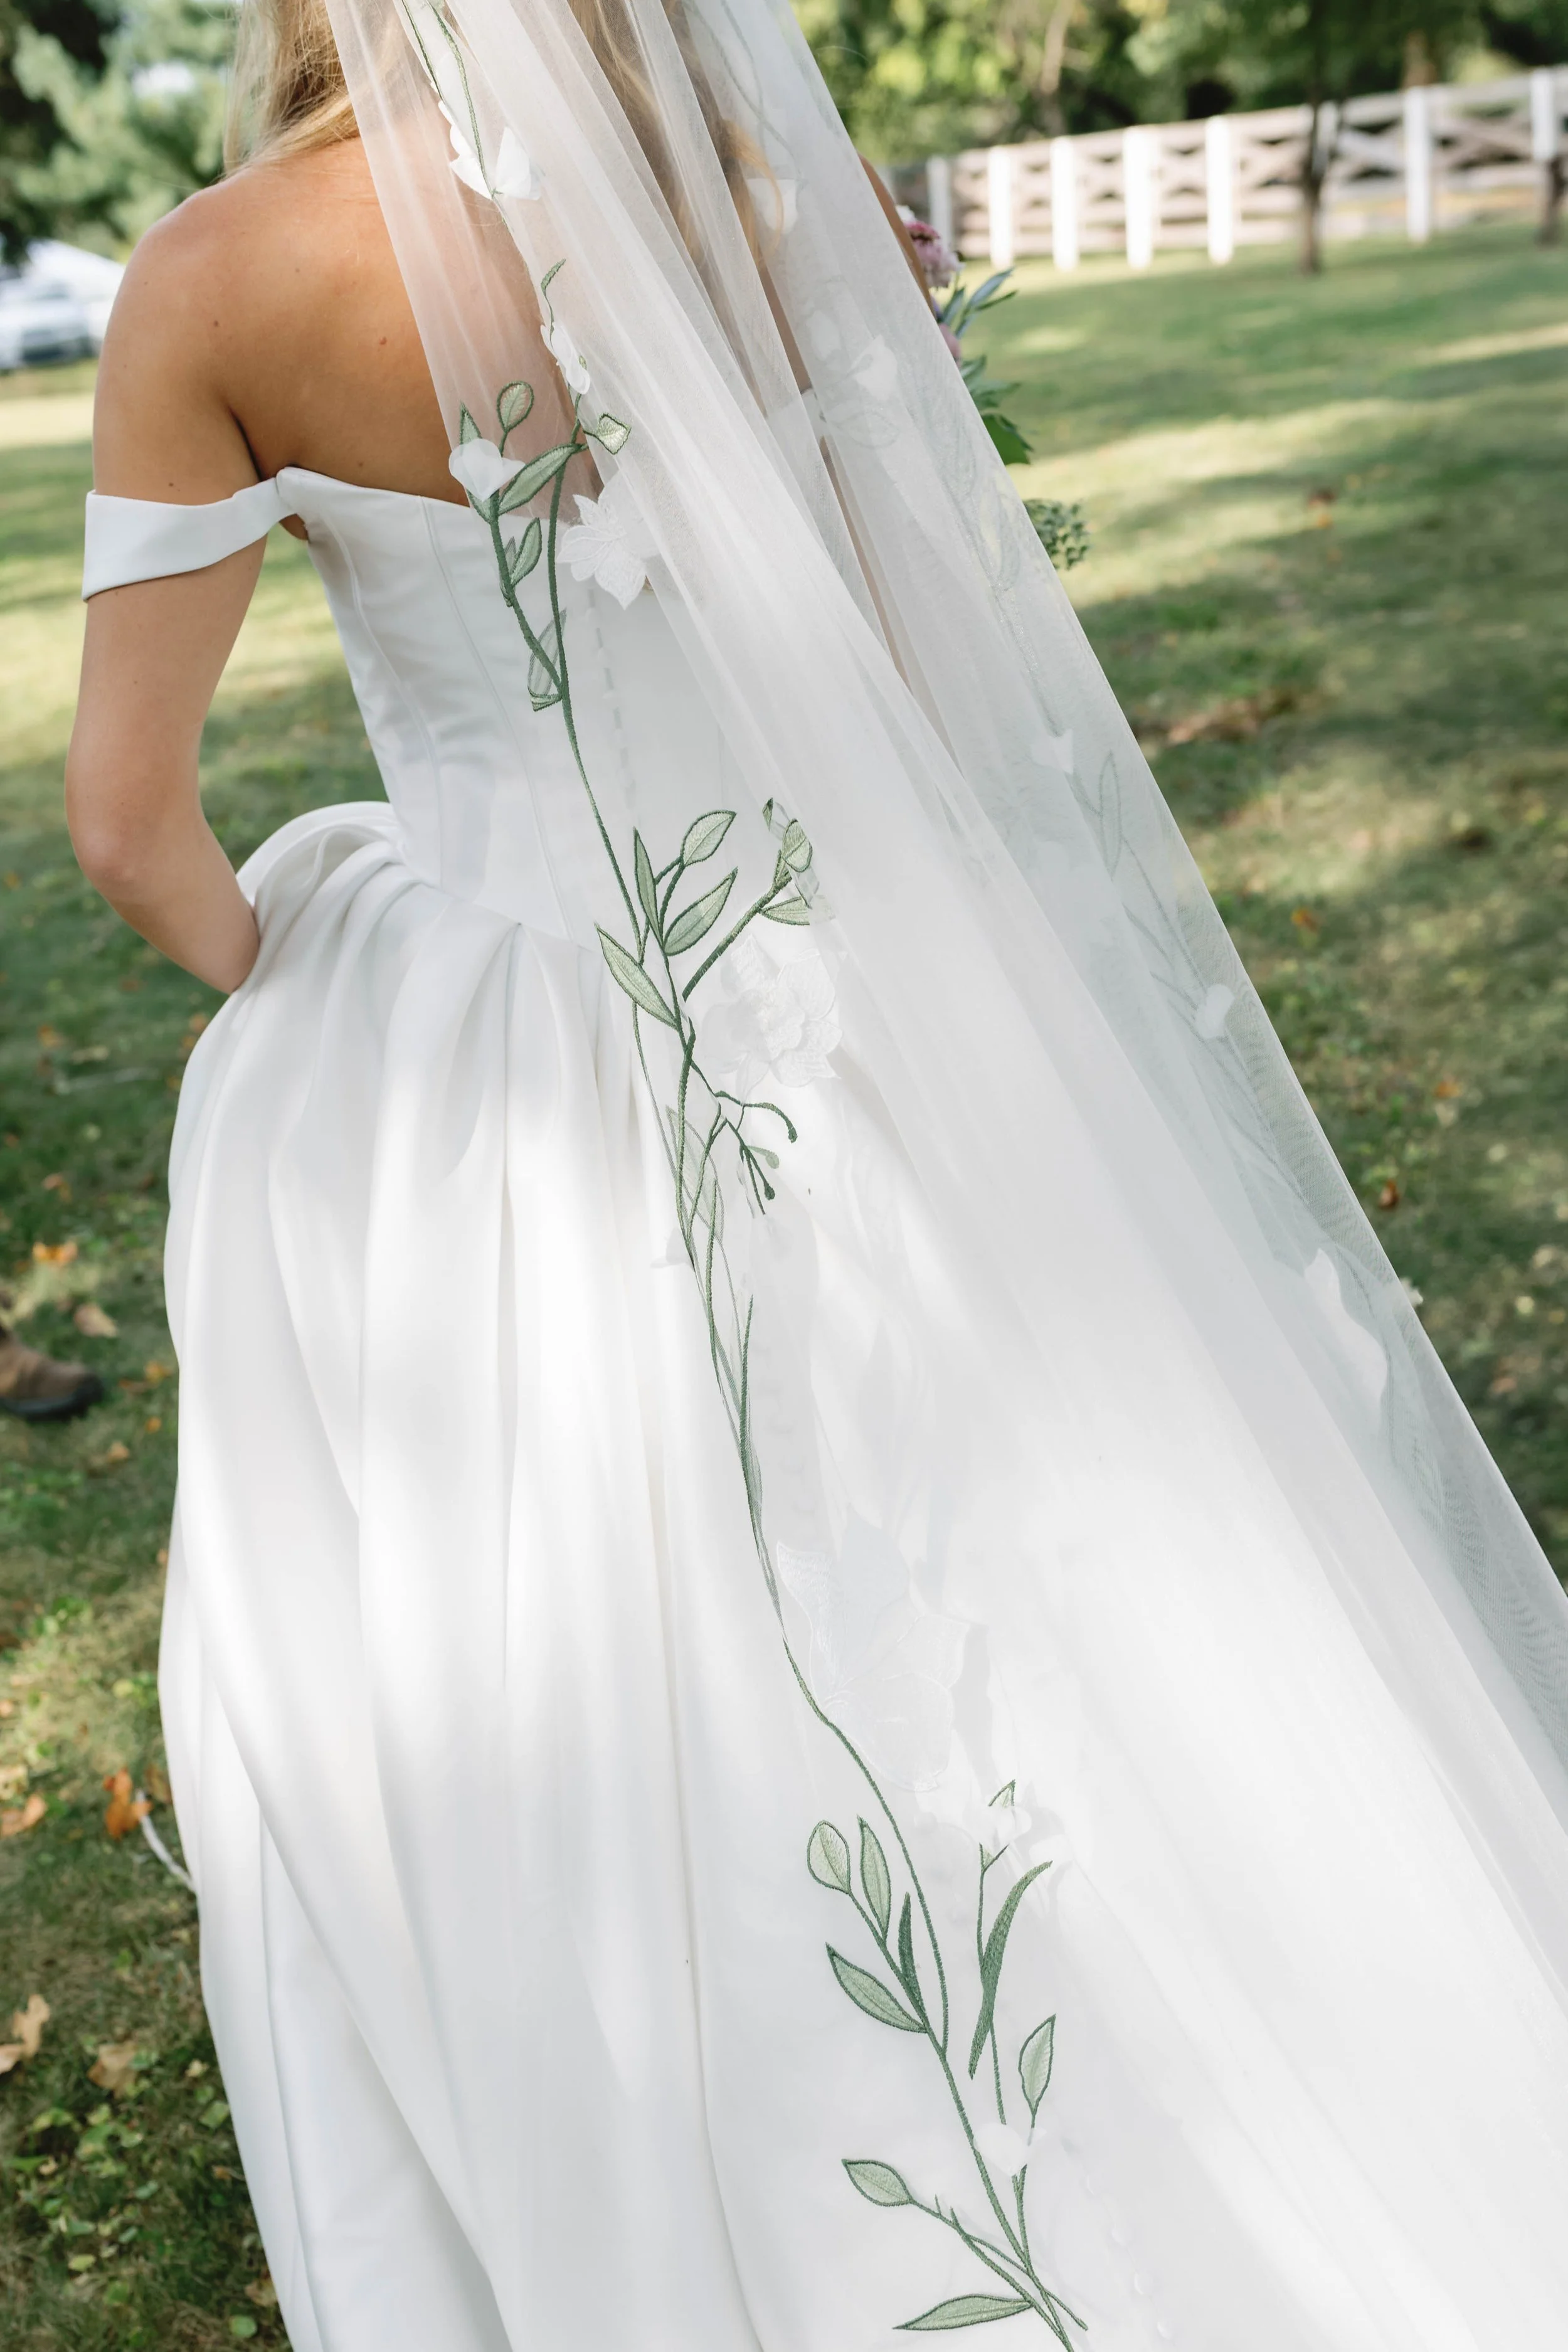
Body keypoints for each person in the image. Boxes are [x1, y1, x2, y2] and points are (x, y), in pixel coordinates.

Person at [64, 0, 1568, 2341]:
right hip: (836, 1000)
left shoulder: (218, 281)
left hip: (496, 1072)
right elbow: (883, 674)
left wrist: (331, 958)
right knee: (1030, 1600)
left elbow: (129, 834)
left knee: (578, 1642)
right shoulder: (756, 205)